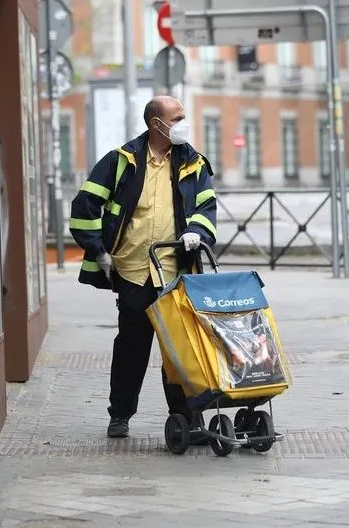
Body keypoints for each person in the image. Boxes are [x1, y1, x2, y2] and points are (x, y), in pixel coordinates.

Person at [69, 96, 217, 439]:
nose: (183, 123)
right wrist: (99, 252)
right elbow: (84, 205)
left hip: (176, 274)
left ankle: (186, 417)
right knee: (132, 348)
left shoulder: (194, 163)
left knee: (179, 350)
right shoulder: (121, 161)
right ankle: (120, 414)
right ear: (156, 124)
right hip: (133, 271)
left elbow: (206, 208)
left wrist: (195, 232)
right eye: (177, 117)